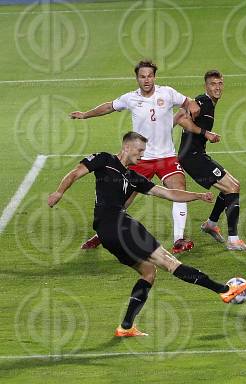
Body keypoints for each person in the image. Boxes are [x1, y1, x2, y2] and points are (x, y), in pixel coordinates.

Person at [47, 132, 246, 337]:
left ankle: (126, 327)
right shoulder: (104, 160)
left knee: (148, 272)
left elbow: (168, 193)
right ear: (126, 147)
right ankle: (224, 290)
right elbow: (74, 173)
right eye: (140, 151)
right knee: (169, 262)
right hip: (118, 225)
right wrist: (59, 192)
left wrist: (197, 196)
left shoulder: (134, 177)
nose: (142, 155)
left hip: (107, 233)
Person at [69, 60, 217, 254]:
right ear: (137, 78)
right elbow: (108, 107)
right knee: (122, 199)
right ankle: (101, 235)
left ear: (154, 77)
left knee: (179, 189)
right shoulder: (130, 98)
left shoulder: (167, 93)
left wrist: (192, 104)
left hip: (167, 157)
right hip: (140, 158)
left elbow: (187, 101)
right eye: (142, 76)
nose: (146, 80)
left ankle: (179, 239)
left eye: (149, 76)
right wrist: (85, 115)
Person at [174, 70, 246, 251]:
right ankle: (233, 240)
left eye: (220, 84)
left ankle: (211, 224)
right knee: (232, 188)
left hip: (197, 155)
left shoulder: (210, 103)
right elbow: (181, 118)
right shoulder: (203, 101)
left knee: (233, 185)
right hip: (192, 158)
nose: (217, 87)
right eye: (213, 84)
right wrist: (206, 133)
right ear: (206, 86)